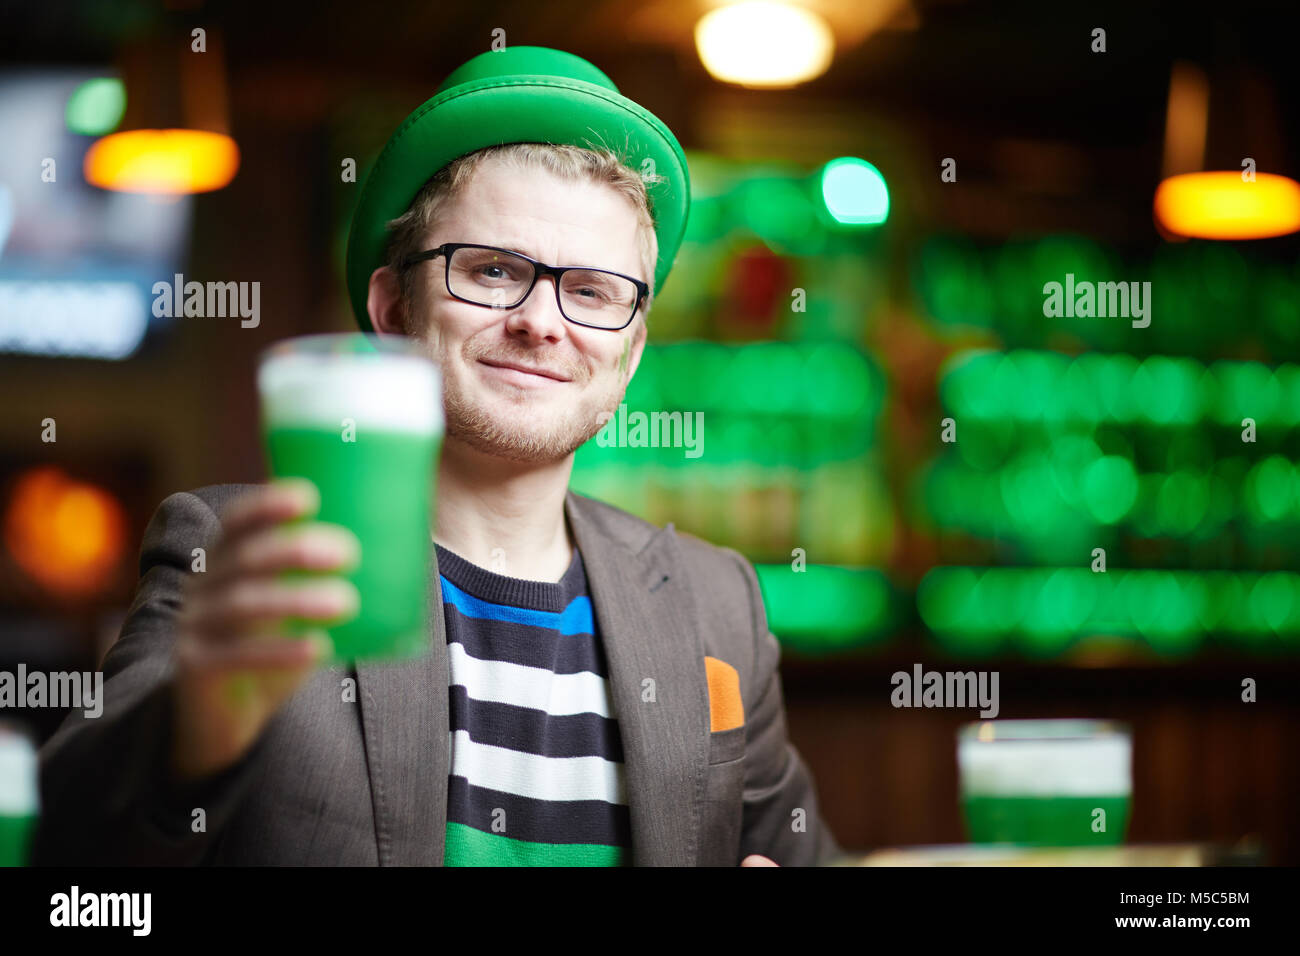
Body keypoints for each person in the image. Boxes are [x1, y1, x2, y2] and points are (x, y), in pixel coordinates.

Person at [34, 45, 840, 866]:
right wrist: (188, 730)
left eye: (592, 291)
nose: (542, 322)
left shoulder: (716, 604)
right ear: (392, 309)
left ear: (628, 358)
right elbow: (65, 861)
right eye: (492, 271)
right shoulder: (237, 549)